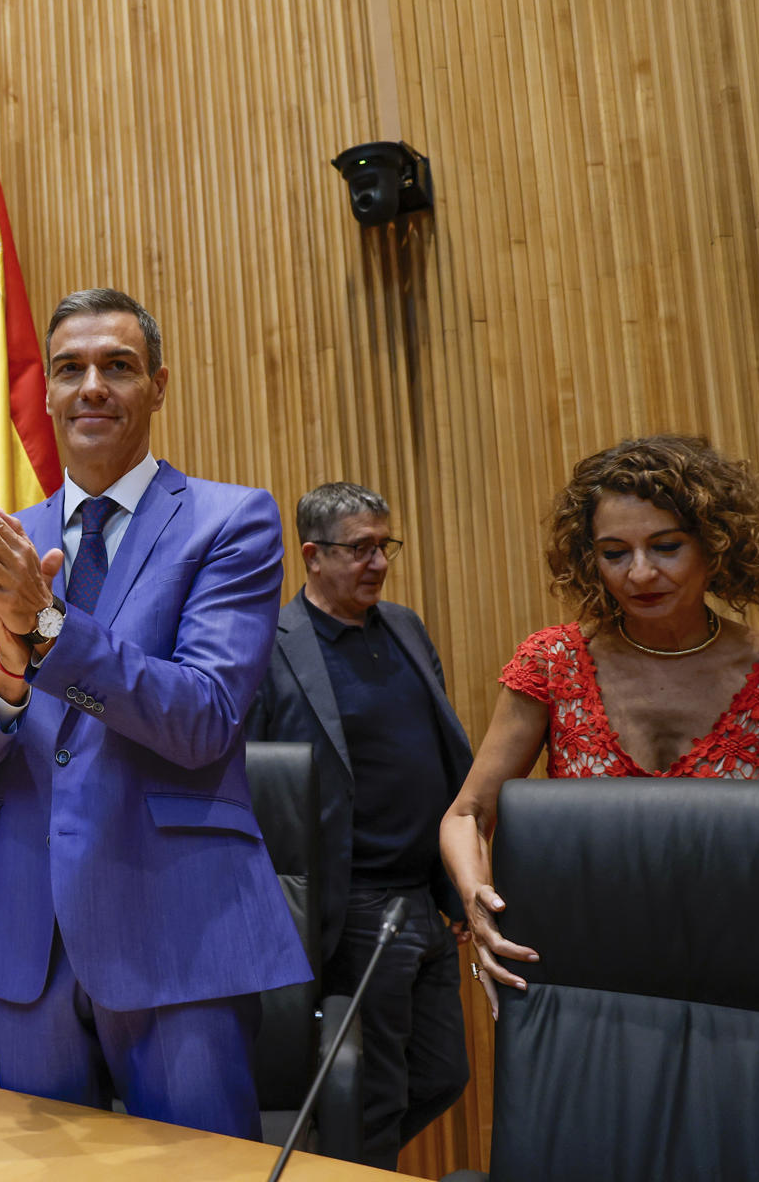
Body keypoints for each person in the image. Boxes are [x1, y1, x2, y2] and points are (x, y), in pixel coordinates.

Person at [0, 287, 311, 1138]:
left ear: (157, 386)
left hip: (176, 925)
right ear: (48, 394)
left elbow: (203, 717)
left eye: (118, 366)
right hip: (28, 932)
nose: (92, 386)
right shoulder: (3, 546)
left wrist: (47, 629)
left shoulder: (230, 521)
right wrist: (9, 677)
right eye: (70, 369)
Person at [440, 434, 759, 1019]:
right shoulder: (554, 662)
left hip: (748, 973)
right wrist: (476, 897)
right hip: (586, 971)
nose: (640, 573)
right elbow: (466, 815)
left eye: (666, 547)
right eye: (615, 553)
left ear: (716, 543)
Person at [245, 482, 471, 1168]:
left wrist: (455, 890)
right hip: (357, 905)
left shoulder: (404, 626)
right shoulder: (271, 646)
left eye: (384, 546)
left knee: (442, 1074)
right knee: (373, 1093)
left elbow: (440, 755)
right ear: (312, 555)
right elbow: (258, 783)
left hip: (425, 898)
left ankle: (337, 1163)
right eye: (359, 549)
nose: (377, 563)